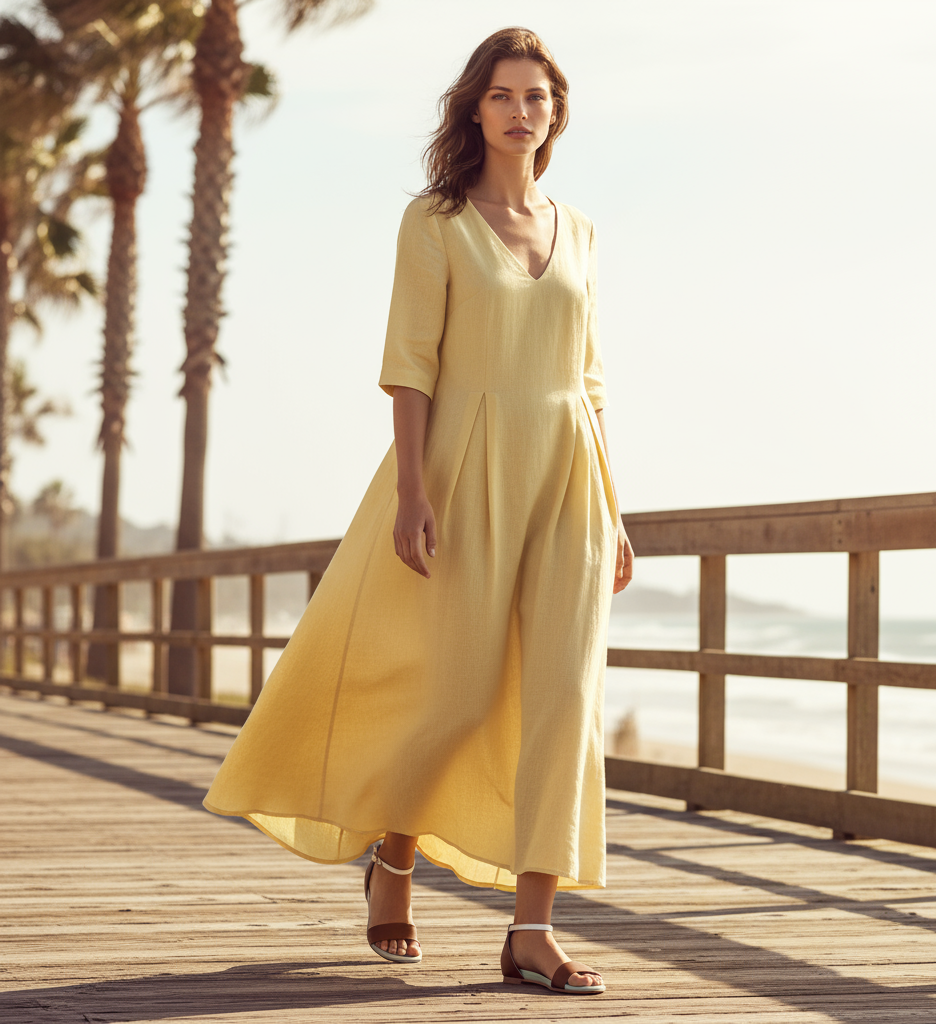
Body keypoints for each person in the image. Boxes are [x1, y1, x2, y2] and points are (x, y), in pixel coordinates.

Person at [204, 25, 633, 996]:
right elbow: (411, 367)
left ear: (554, 112)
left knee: (564, 702)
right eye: (503, 95)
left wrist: (614, 506)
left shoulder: (584, 231)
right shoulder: (435, 223)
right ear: (473, 110)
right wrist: (411, 492)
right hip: (465, 467)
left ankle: (532, 927)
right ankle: (392, 858)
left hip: (569, 477)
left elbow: (591, 380)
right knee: (461, 692)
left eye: (538, 96)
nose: (522, 111)